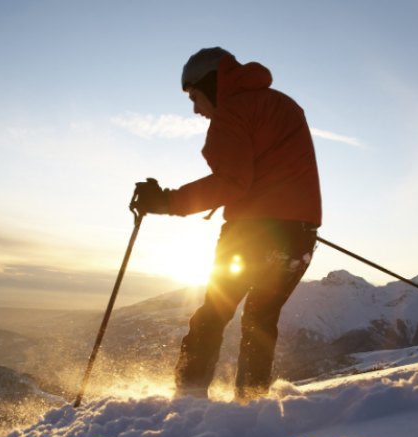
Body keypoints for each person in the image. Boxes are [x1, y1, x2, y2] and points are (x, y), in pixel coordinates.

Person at [131, 47, 322, 402]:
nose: (195, 109)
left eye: (195, 96)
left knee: (213, 314)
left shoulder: (233, 111)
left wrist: (166, 201)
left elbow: (232, 182)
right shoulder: (282, 104)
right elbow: (278, 168)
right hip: (299, 233)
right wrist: (292, 219)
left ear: (210, 84)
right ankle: (251, 404)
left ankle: (187, 400)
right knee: (260, 320)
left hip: (253, 232)